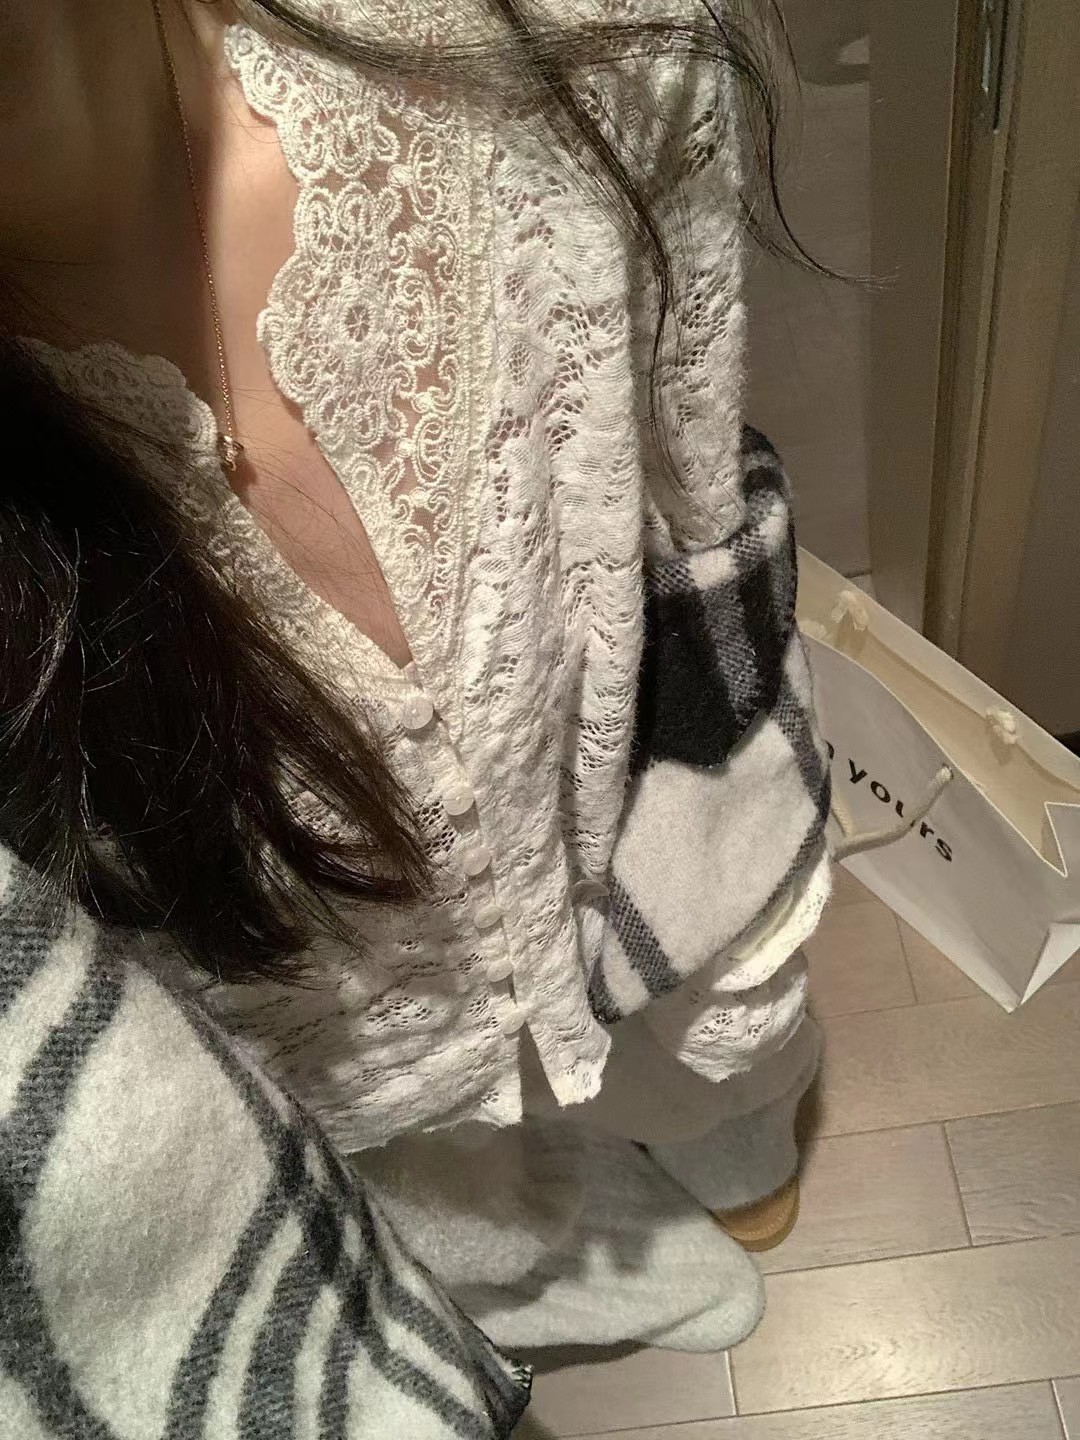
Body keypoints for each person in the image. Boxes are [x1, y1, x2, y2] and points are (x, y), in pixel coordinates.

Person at [0, 0, 830, 1369]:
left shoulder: (564, 44)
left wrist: (738, 938)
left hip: (665, 869)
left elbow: (698, 527)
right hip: (334, 1102)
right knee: (481, 1228)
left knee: (741, 1115)